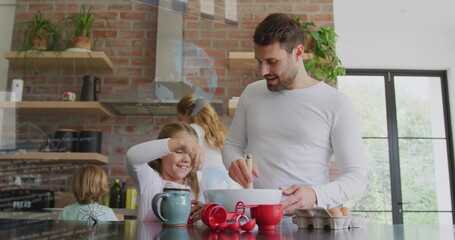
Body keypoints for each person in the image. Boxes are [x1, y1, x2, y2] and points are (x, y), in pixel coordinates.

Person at [222, 13, 368, 215]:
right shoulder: (251, 94)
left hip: (309, 224)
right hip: (254, 222)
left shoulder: (336, 103)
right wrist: (233, 162)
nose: (263, 71)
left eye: (272, 61)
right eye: (259, 61)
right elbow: (232, 145)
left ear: (298, 52)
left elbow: (357, 178)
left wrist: (315, 194)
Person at [126, 122, 204, 222]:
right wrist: (180, 142)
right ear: (161, 152)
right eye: (179, 151)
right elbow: (132, 157)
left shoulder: (192, 188)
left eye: (191, 153)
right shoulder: (149, 180)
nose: (186, 159)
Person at [177, 94, 241, 202]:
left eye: (180, 118)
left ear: (186, 113)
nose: (181, 122)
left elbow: (191, 166)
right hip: (229, 192)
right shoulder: (219, 133)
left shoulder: (192, 130)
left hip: (207, 194)